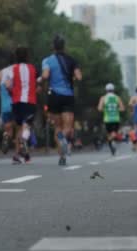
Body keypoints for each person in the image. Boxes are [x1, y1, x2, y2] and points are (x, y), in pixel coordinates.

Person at [41, 35, 82, 166]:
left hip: (54, 96)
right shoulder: (72, 60)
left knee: (57, 127)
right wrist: (72, 78)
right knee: (68, 127)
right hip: (68, 96)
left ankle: (61, 156)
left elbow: (45, 76)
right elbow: (79, 77)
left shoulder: (47, 60)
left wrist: (39, 80)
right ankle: (64, 142)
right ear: (64, 46)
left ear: (53, 47)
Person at [5, 47, 38, 164]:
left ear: (16, 57)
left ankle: (17, 155)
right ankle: (24, 140)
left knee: (19, 128)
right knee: (27, 126)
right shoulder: (33, 69)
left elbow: (7, 85)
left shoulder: (12, 69)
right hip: (30, 101)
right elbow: (38, 85)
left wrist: (12, 92)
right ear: (27, 57)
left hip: (16, 102)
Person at [0, 54, 15, 154]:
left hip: (5, 106)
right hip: (16, 104)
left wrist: (2, 95)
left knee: (8, 128)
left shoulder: (1, 72)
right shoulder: (19, 72)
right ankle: (20, 152)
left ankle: (6, 136)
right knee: (18, 127)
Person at [97, 83, 125, 156]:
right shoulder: (117, 97)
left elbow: (99, 108)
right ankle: (112, 144)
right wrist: (116, 109)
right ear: (113, 90)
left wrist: (106, 109)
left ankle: (111, 145)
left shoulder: (103, 98)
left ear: (106, 90)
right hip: (116, 118)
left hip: (107, 119)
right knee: (114, 133)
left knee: (109, 134)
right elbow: (122, 108)